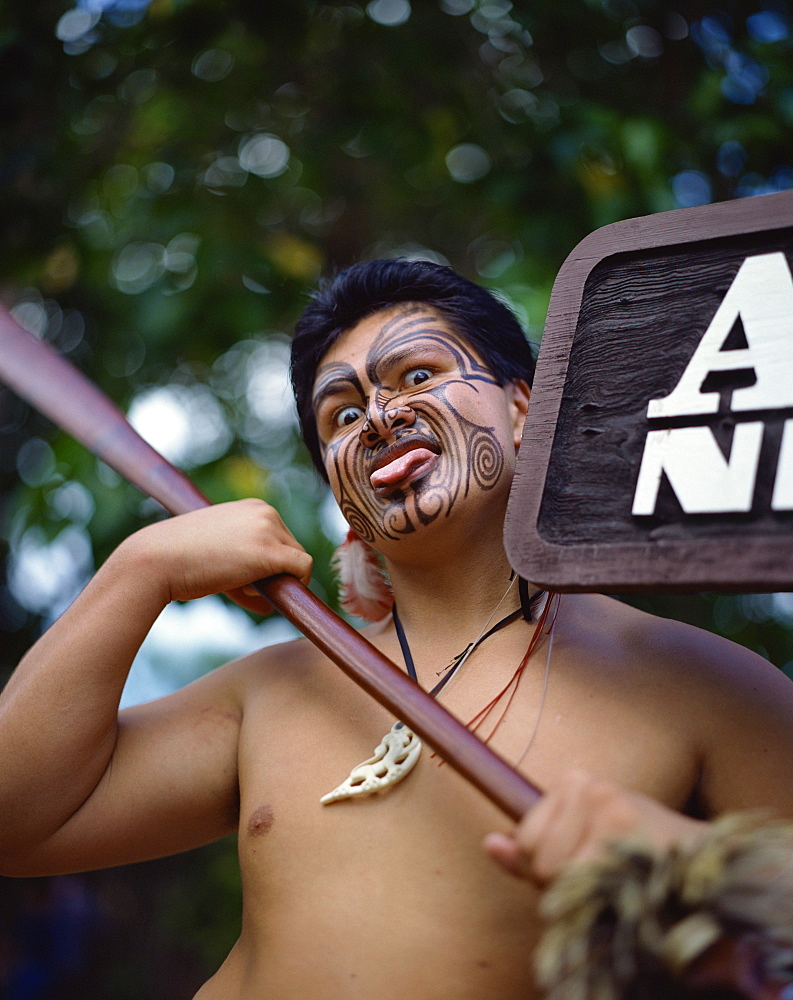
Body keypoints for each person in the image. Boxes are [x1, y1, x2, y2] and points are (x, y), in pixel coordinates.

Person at [2, 258, 793, 1000]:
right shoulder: (272, 689)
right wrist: (139, 571)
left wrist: (705, 872)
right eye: (341, 415)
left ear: (522, 408)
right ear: (337, 491)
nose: (379, 418)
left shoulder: (692, 681)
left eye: (419, 374)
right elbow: (17, 825)